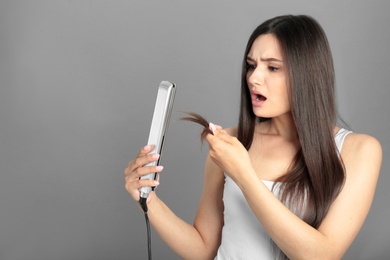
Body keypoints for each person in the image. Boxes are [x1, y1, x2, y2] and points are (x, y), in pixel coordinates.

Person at [125, 14, 382, 259]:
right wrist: (149, 202)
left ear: (307, 75)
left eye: (272, 67)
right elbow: (203, 249)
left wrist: (243, 174)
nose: (253, 77)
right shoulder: (230, 143)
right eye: (251, 66)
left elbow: (322, 255)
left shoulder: (358, 150)